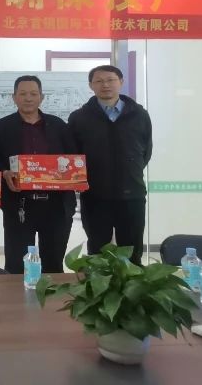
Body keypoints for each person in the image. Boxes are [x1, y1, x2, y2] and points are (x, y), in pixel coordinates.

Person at [0, 75, 78, 274]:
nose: (28, 98)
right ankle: (17, 295)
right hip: (19, 204)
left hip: (56, 205)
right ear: (14, 97)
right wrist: (4, 172)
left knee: (53, 263)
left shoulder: (59, 126)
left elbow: (73, 159)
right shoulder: (1, 127)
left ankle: (51, 295)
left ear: (42, 97)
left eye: (33, 93)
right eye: (22, 94)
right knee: (17, 264)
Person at [69, 65, 153, 265]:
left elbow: (145, 151)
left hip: (132, 193)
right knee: (98, 252)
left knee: (132, 252)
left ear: (121, 82)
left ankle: (133, 286)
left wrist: (129, 169)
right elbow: (73, 155)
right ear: (91, 85)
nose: (105, 85)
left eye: (110, 80)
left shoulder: (140, 115)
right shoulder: (79, 117)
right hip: (94, 196)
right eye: (99, 81)